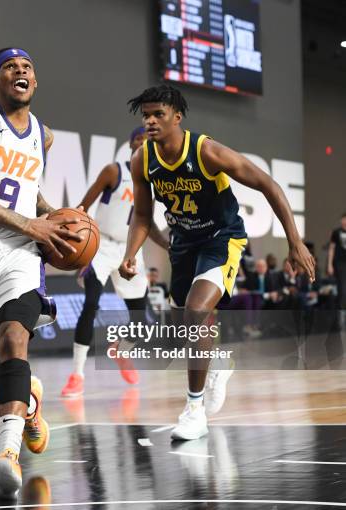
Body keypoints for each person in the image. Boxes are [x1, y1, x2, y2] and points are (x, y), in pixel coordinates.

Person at [119, 84, 315, 441]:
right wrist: (131, 254)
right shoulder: (142, 160)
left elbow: (268, 185)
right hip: (184, 243)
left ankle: (193, 410)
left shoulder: (206, 151)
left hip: (221, 238)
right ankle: (218, 364)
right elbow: (143, 216)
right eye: (145, 115)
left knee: (196, 312)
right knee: (188, 325)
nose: (149, 121)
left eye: (157, 114)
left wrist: (295, 241)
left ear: (177, 117)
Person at [0, 47, 81, 498]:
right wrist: (33, 221)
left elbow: (28, 189)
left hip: (19, 253)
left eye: (27, 67)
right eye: (10, 67)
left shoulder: (43, 136)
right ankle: (30, 402)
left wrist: (55, 218)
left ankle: (7, 454)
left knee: (14, 337)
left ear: (35, 83)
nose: (20, 71)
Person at [61, 126, 168, 397]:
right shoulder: (114, 171)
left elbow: (148, 224)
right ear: (132, 144)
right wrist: (77, 246)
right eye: (142, 141)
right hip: (102, 246)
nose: (146, 146)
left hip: (132, 250)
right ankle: (77, 374)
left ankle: (121, 352)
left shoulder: (153, 182)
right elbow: (82, 207)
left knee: (140, 321)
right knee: (90, 304)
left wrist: (169, 246)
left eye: (151, 142)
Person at [328, 213, 346, 311]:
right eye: (343, 219)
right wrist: (329, 265)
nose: (344, 222)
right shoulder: (336, 232)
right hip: (340, 263)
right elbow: (331, 248)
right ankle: (341, 314)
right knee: (342, 289)